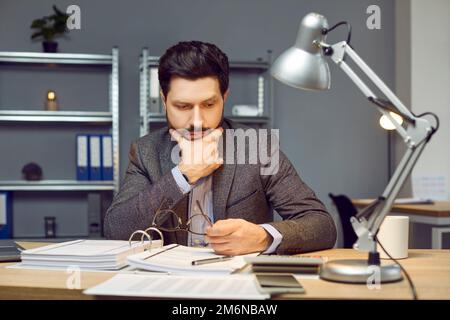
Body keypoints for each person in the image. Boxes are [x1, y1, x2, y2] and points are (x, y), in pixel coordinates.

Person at [104, 41, 336, 255]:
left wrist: (263, 236)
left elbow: (322, 225)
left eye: (208, 104)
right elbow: (116, 229)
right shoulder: (146, 152)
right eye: (183, 106)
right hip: (169, 286)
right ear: (164, 100)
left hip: (238, 287)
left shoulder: (257, 147)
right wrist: (182, 176)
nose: (197, 120)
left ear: (224, 97)